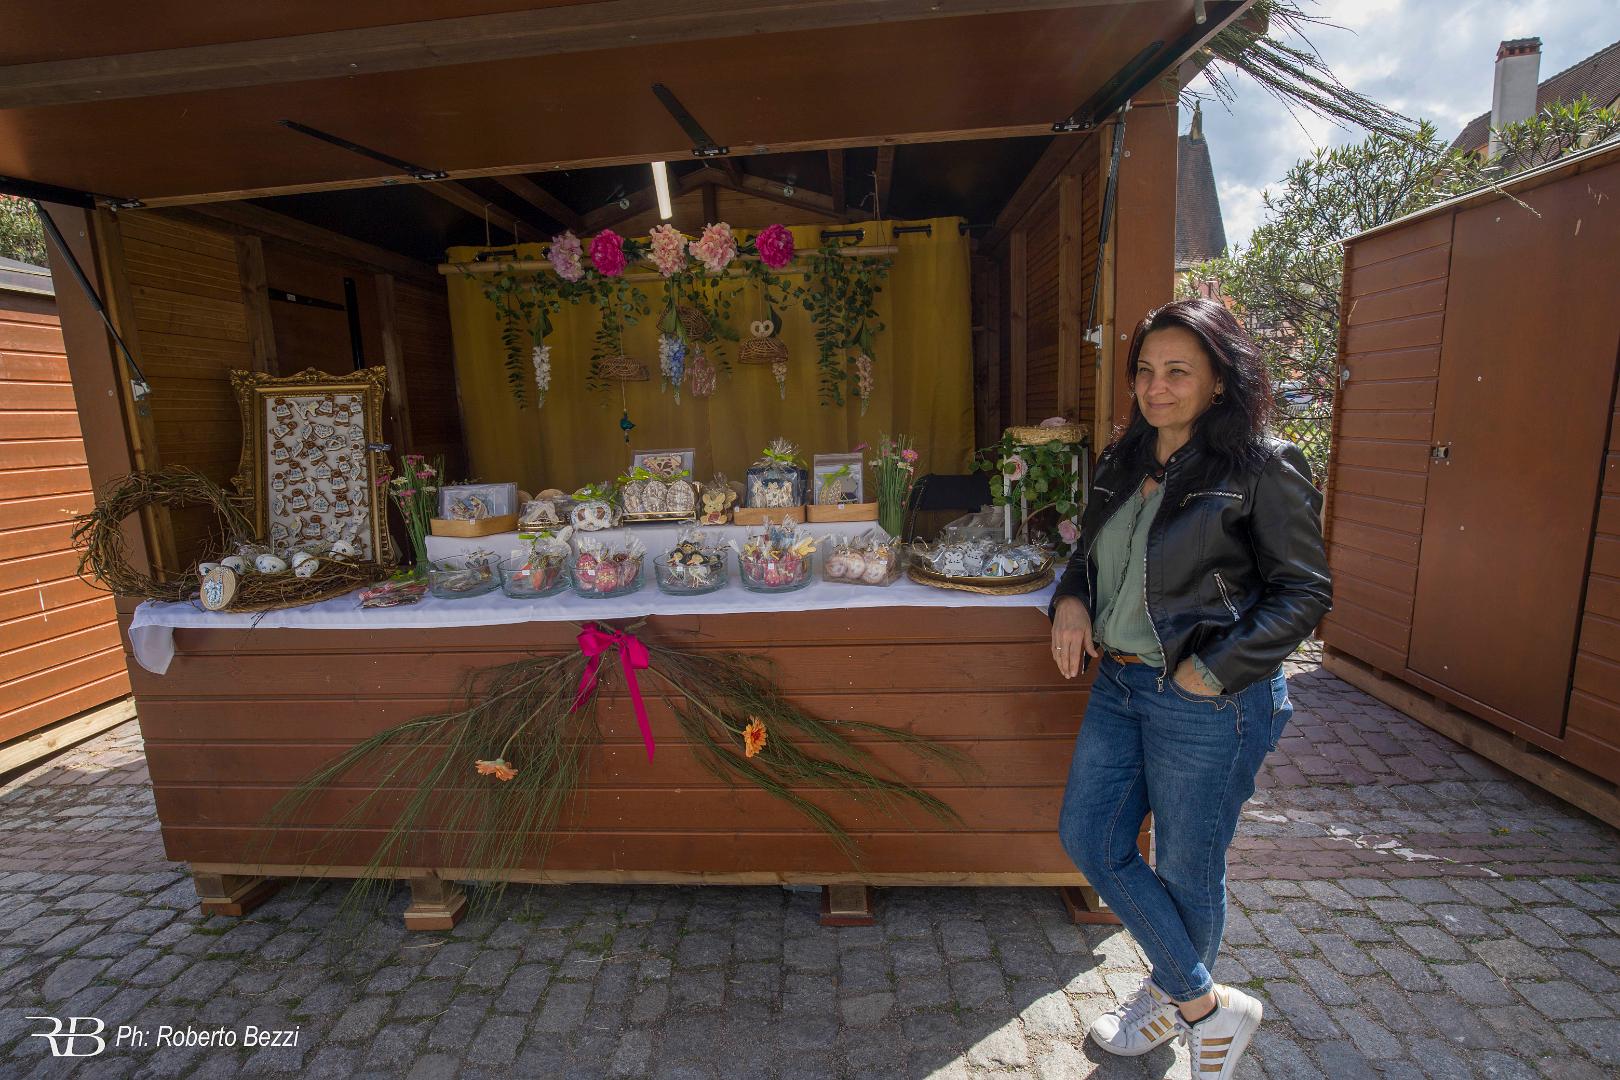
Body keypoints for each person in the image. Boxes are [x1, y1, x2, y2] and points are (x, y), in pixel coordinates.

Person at [1049, 298, 1331, 1078]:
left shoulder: (1261, 465)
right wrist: (1070, 600)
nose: (1155, 387)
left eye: (1178, 372)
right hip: (1120, 683)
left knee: (1185, 867)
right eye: (1145, 371)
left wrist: (1214, 669)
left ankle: (1170, 1001)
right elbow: (1089, 560)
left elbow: (1305, 591)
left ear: (1219, 380)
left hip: (1210, 699)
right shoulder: (1124, 457)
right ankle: (1206, 1005)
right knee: (1089, 837)